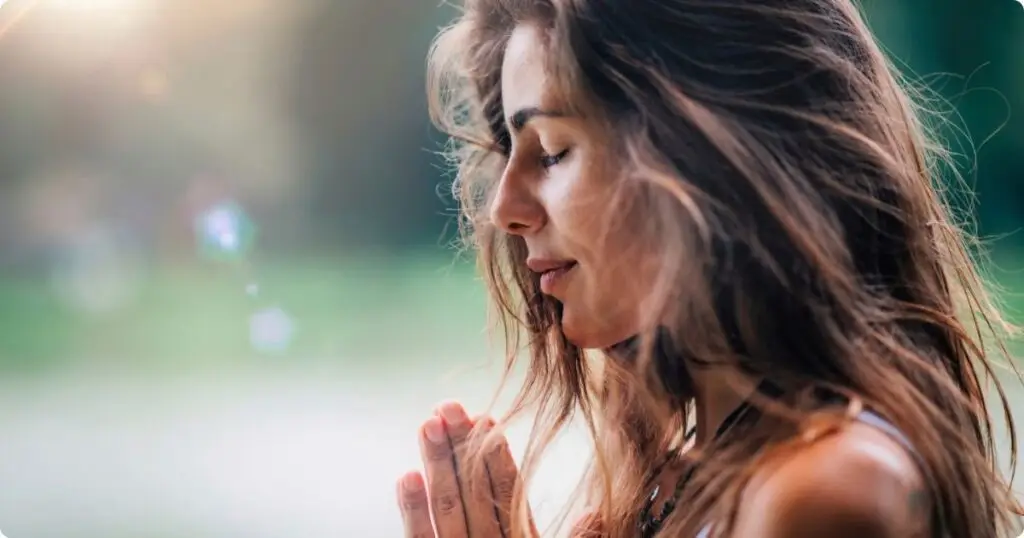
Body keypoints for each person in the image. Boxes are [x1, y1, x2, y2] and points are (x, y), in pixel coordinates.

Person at [396, 0, 1023, 536]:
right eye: (511, 154)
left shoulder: (823, 493)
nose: (505, 209)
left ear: (705, 150)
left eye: (554, 152)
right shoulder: (680, 471)